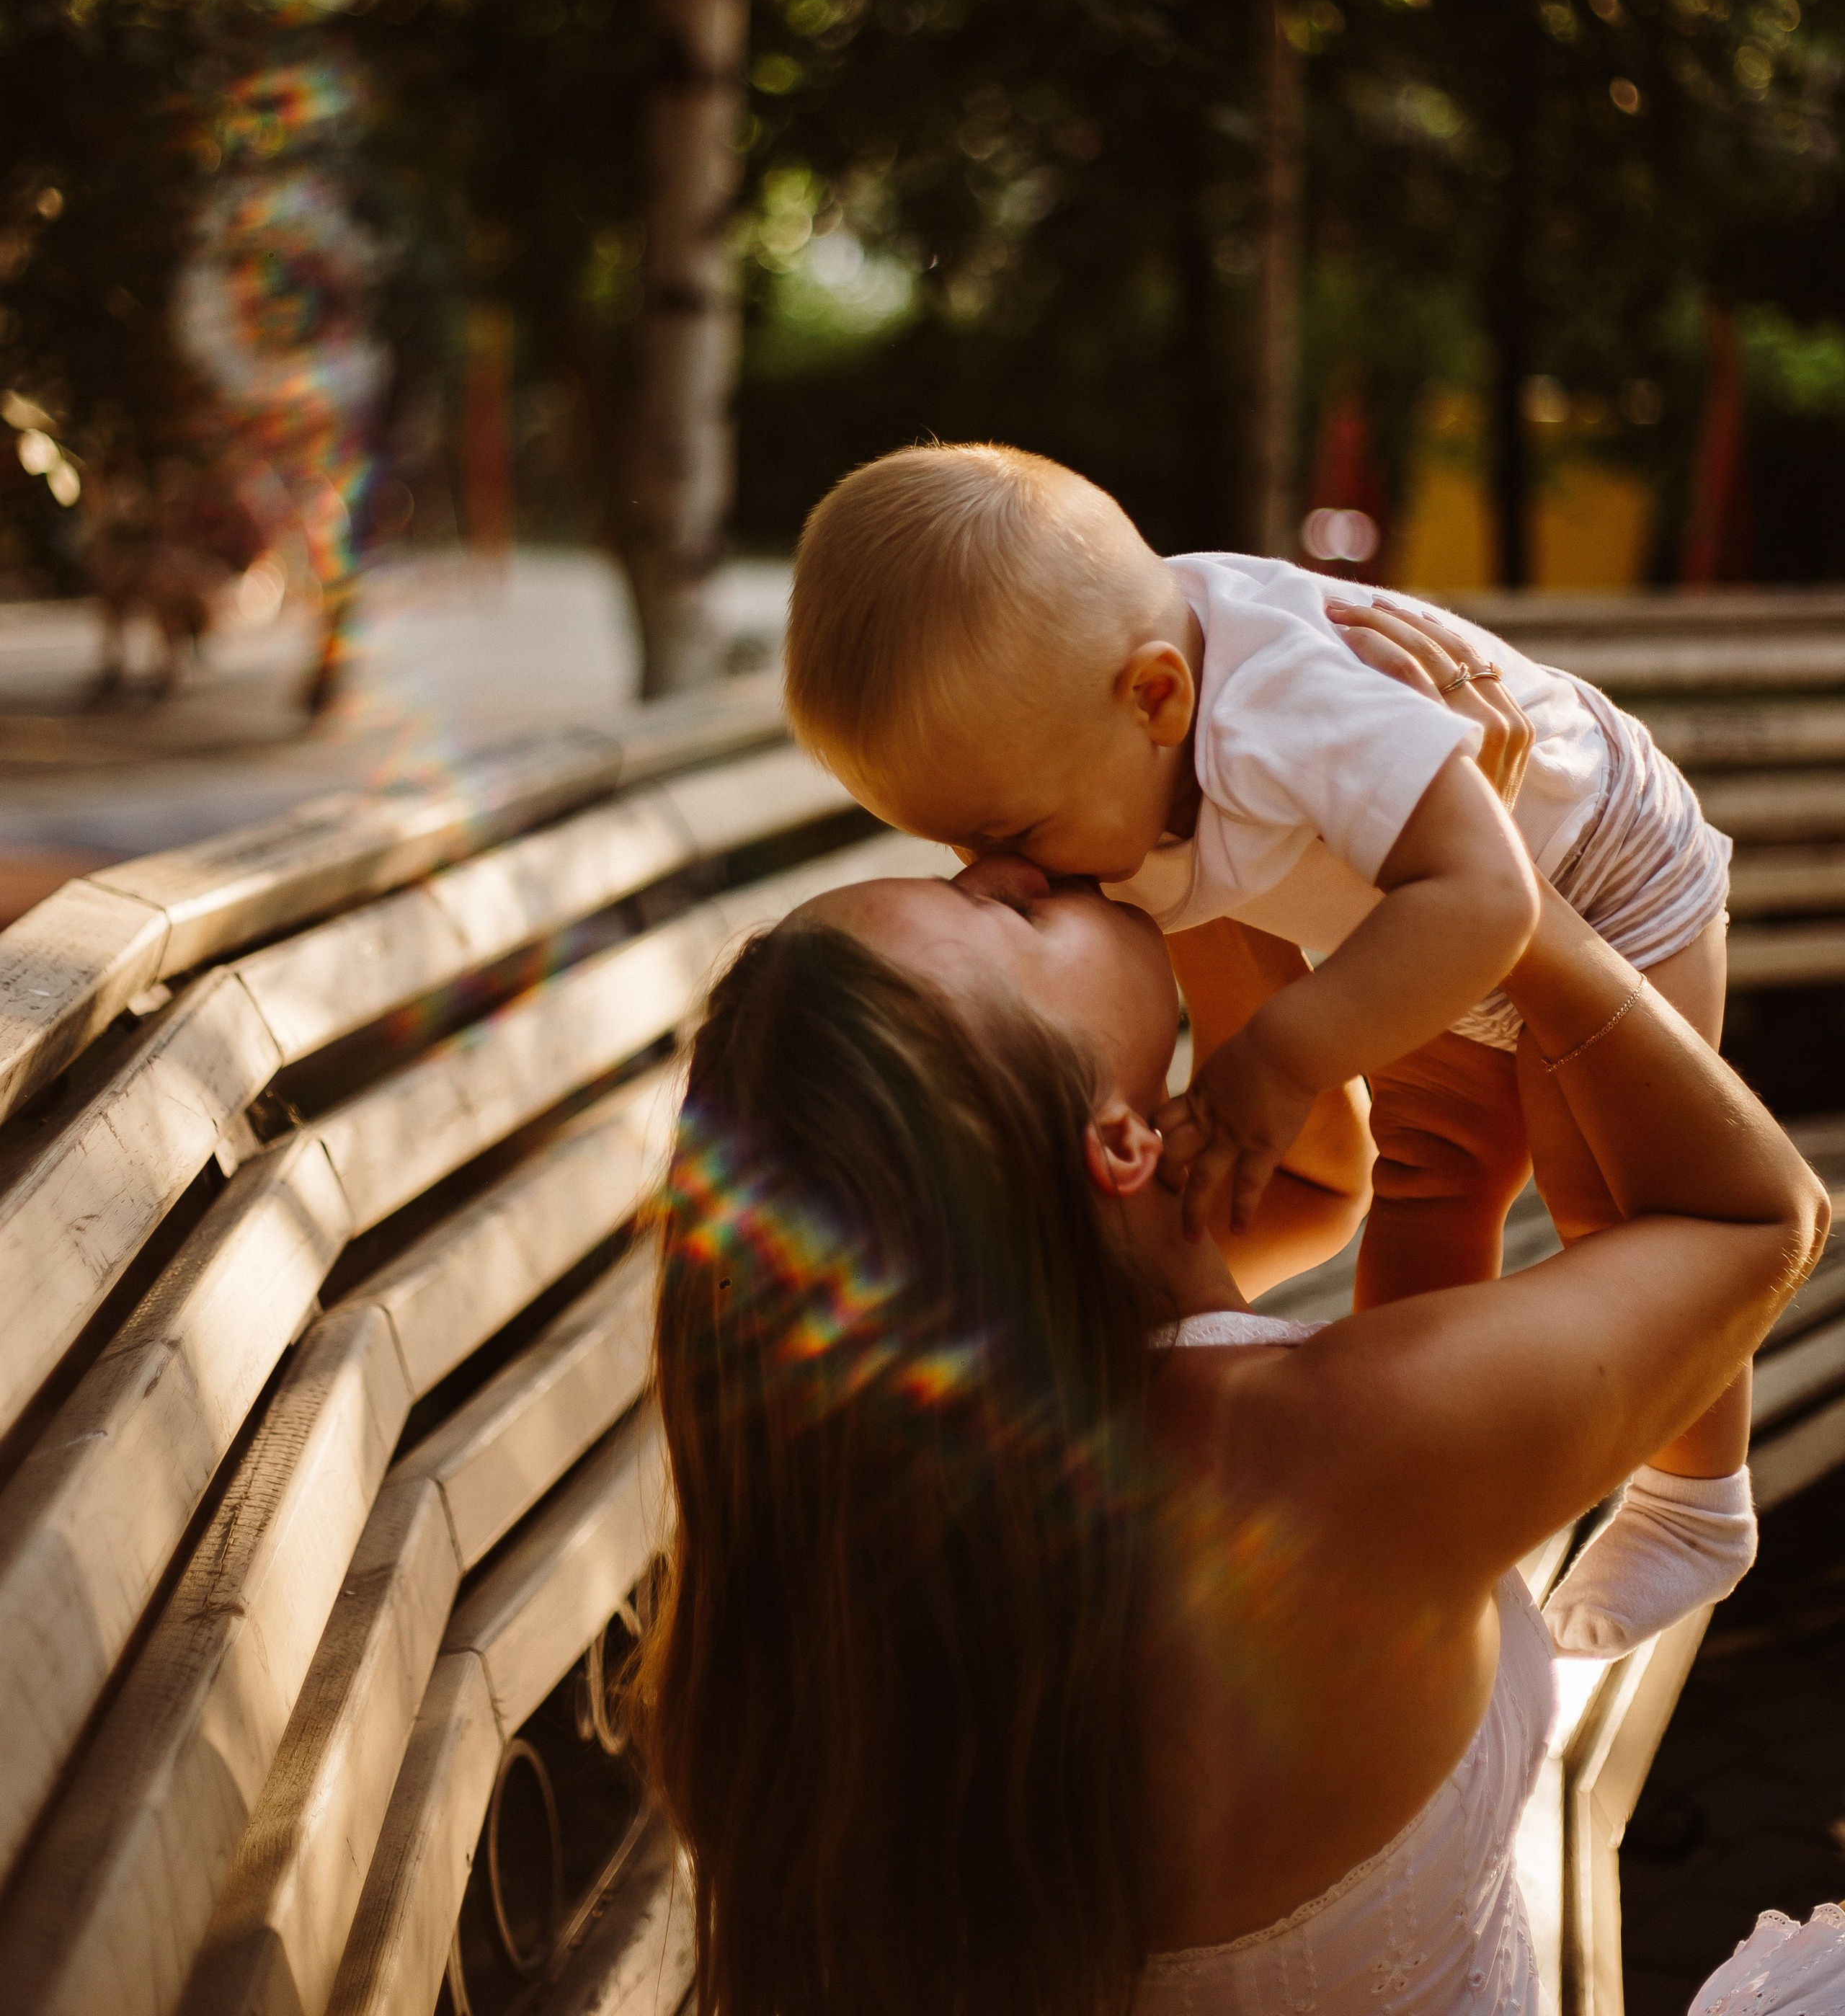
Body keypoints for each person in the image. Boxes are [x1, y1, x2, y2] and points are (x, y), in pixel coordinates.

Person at [638, 610, 1834, 2016]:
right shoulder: (1336, 1452)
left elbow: (1322, 1182)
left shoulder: (862, 1548)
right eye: (1006, 911)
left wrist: (1186, 849)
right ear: (1120, 1151)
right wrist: (1502, 900)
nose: (1008, 863)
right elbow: (1755, 1217)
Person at [781, 440, 1746, 1657]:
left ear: (1157, 697)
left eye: (1006, 833)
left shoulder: (1286, 705)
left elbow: (1493, 896)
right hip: (1413, 919)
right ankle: (1433, 1491)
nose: (1005, 871)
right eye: (963, 853)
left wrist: (1282, 1061)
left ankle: (1697, 1500)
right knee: (1431, 1180)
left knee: (1613, 1204)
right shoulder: (1101, 733)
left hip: (1595, 883)